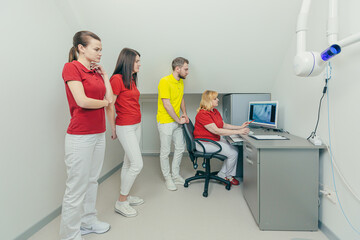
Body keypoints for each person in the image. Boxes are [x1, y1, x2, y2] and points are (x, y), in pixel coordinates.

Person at [60, 31, 113, 240]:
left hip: (98, 133)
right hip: (80, 136)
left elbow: (110, 98)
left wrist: (105, 76)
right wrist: (104, 104)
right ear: (81, 48)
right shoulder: (71, 67)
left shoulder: (96, 72)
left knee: (92, 181)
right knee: (76, 188)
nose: (100, 53)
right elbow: (82, 101)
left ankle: (88, 222)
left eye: (101, 50)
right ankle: (69, 235)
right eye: (96, 49)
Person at [106, 48, 144, 217]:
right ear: (128, 61)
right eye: (136, 61)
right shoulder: (116, 79)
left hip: (136, 124)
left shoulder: (131, 79)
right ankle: (121, 202)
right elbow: (110, 105)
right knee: (137, 164)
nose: (139, 64)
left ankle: (126, 197)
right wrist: (113, 128)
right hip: (125, 126)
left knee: (128, 163)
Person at [193, 90, 250, 185]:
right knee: (233, 153)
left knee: (234, 148)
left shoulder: (214, 111)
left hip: (212, 140)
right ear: (209, 100)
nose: (218, 100)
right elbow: (216, 130)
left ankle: (223, 174)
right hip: (203, 143)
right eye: (215, 98)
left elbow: (224, 125)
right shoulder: (202, 114)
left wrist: (240, 127)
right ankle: (227, 176)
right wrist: (239, 132)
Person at [156, 57, 190, 191]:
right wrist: (178, 120)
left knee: (180, 148)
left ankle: (175, 175)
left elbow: (181, 98)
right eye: (186, 69)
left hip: (177, 121)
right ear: (178, 68)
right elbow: (167, 104)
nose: (187, 72)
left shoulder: (181, 82)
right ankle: (168, 178)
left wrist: (185, 113)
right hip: (165, 122)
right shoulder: (164, 81)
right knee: (165, 152)